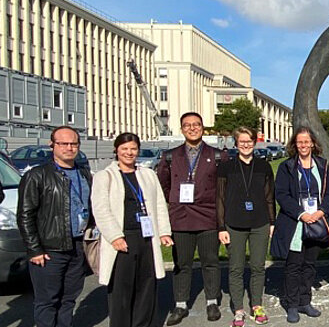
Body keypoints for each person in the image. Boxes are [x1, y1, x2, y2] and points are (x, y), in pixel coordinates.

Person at [91, 133, 173, 327]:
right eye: (124, 149)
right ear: (116, 150)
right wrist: (114, 236)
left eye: (133, 149)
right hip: (122, 239)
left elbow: (159, 204)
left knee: (147, 285)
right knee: (122, 289)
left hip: (146, 236)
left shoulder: (147, 174)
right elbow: (101, 209)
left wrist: (164, 232)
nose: (129, 153)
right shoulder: (105, 176)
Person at [17, 126, 92, 327]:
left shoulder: (84, 174)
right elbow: (25, 215)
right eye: (63, 143)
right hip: (49, 249)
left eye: (73, 143)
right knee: (47, 302)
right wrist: (34, 250)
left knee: (68, 299)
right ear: (52, 145)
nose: (69, 148)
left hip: (77, 246)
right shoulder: (37, 175)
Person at [157, 112, 228, 325]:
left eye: (196, 124)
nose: (192, 128)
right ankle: (180, 305)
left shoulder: (217, 155)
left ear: (203, 128)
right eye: (187, 125)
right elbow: (163, 186)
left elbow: (223, 189)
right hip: (181, 218)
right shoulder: (170, 156)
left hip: (208, 216)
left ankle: (212, 301)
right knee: (182, 263)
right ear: (181, 129)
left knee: (210, 262)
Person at [270, 127, 329, 323]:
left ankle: (305, 301)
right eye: (299, 142)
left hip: (317, 221)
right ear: (294, 145)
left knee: (309, 265)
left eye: (306, 142)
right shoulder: (287, 167)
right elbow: (281, 194)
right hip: (296, 223)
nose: (303, 145)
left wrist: (321, 211)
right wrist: (301, 214)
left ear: (313, 143)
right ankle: (292, 304)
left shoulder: (322, 166)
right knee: (293, 266)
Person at [217, 127, 275, 325]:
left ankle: (257, 305)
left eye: (249, 141)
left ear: (254, 142)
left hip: (260, 223)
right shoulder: (226, 167)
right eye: (241, 141)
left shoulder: (263, 166)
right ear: (236, 143)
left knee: (258, 266)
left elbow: (269, 196)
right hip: (234, 224)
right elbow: (220, 198)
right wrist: (221, 227)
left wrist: (272, 222)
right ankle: (238, 309)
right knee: (236, 268)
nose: (246, 144)